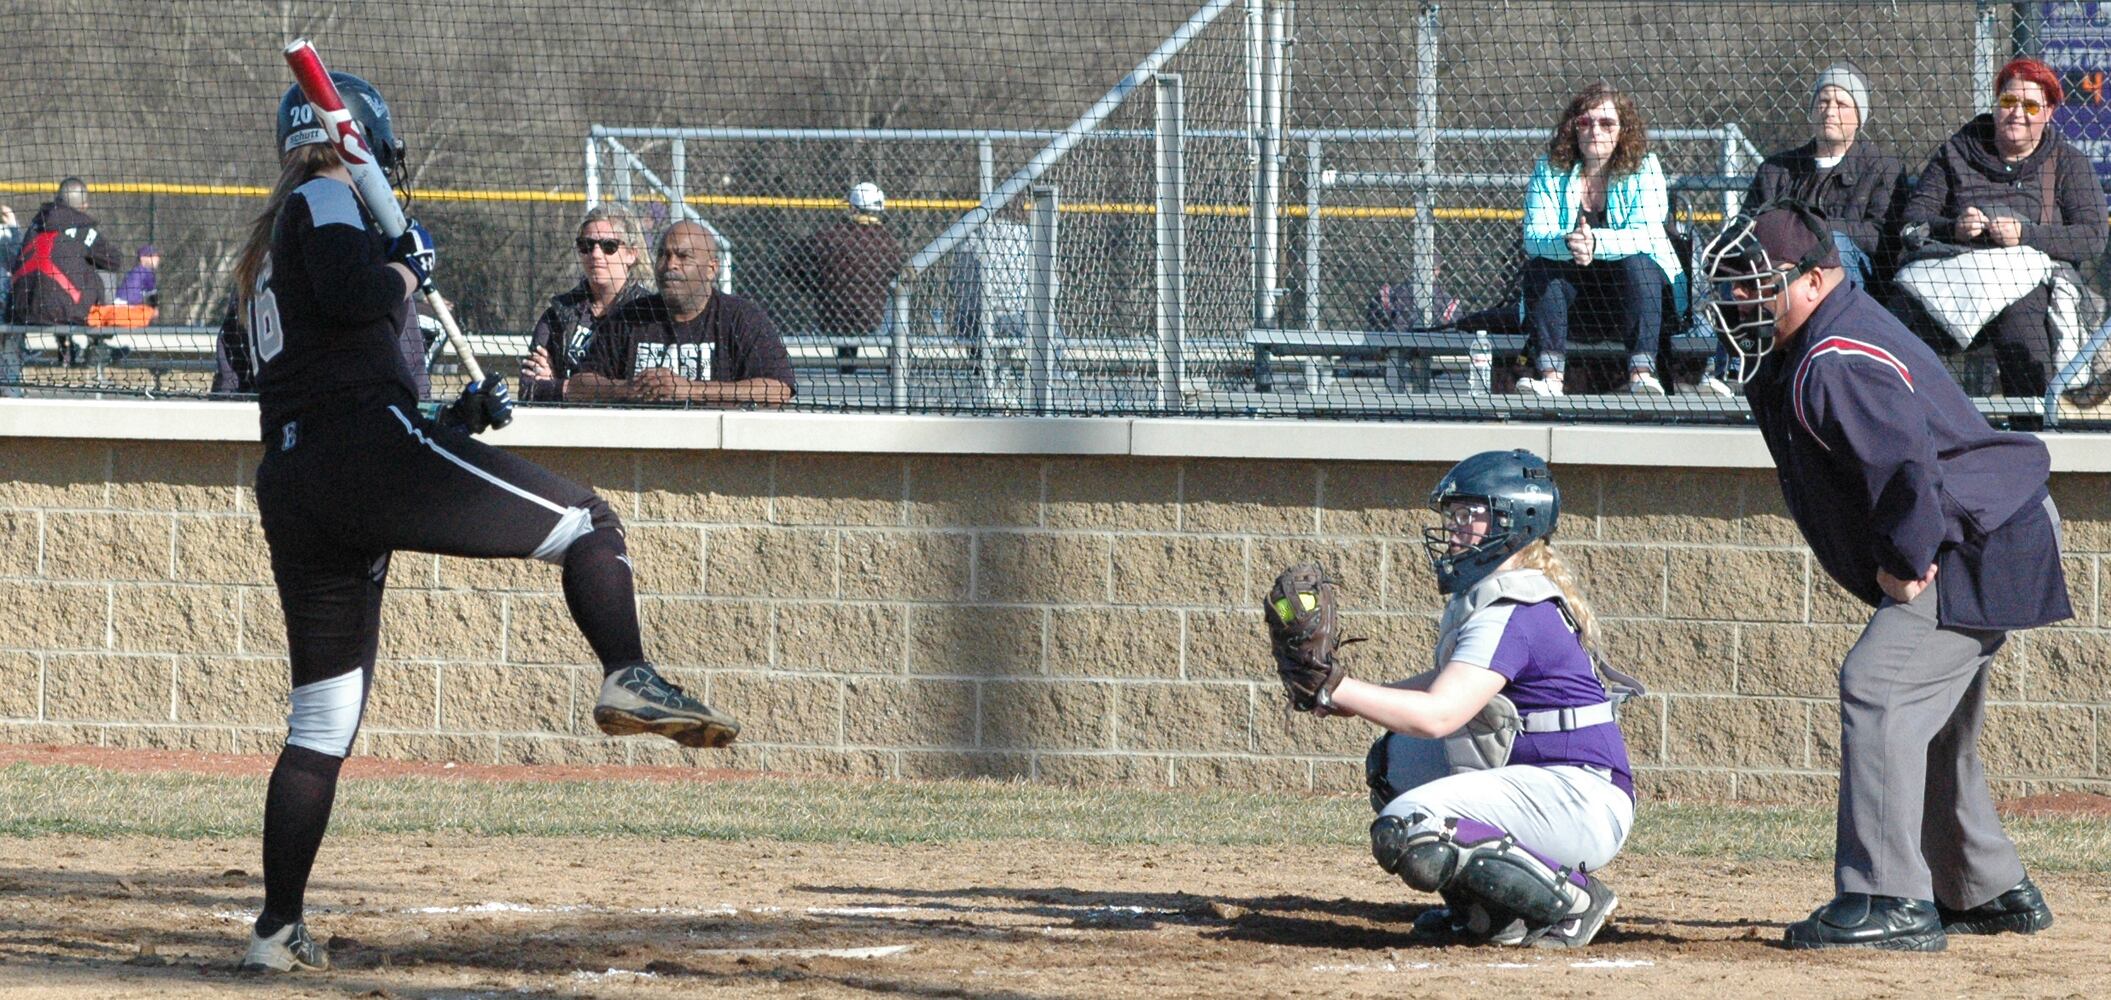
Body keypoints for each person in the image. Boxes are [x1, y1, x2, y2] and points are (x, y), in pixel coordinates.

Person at [230, 72, 741, 975]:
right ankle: (627, 674)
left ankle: (276, 929)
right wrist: (402, 264)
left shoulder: (274, 238)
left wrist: (451, 421)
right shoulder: (323, 194)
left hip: (301, 474)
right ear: (368, 145)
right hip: (359, 452)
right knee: (585, 523)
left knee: (321, 719)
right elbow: (355, 301)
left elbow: (332, 370)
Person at [1701, 203, 2067, 951]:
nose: (1738, 302)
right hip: (1987, 526)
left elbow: (1905, 467)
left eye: (1753, 285)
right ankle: (1986, 889)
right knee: (1930, 727)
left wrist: (1904, 565)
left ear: (1813, 278)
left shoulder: (1834, 356)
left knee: (1878, 687)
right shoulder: (1818, 340)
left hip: (1973, 539)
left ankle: (1886, 897)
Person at [1303, 449, 1636, 949]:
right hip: (1549, 785)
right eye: (1453, 516)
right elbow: (1447, 682)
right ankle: (1493, 911)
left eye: (1468, 516)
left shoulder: (1514, 606)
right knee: (1393, 762)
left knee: (1409, 829)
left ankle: (1574, 901)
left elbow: (1439, 714)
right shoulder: (1498, 593)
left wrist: (1338, 687)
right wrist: (1345, 697)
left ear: (1514, 520)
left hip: (1580, 800)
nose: (1455, 530)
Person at [1898, 57, 2110, 399]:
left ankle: (2032, 425)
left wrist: (2027, 236)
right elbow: (1913, 221)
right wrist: (1954, 228)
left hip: (2025, 285)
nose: (2017, 112)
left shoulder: (2068, 162)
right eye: (2008, 101)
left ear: (2050, 112)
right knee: (1898, 323)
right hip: (1954, 280)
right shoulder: (1956, 152)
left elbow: (2092, 236)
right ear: (1996, 105)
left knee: (2023, 320)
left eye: (2030, 105)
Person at [1518, 82, 1687, 396]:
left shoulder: (1645, 167)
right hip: (1576, 302)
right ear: (1574, 128)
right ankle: (1551, 379)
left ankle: (1641, 375)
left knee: (1640, 265)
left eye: (1606, 123)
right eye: (1585, 122)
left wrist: (1595, 243)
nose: (1595, 130)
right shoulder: (1549, 169)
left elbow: (1647, 235)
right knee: (1541, 268)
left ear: (1623, 129)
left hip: (1632, 299)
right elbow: (1534, 238)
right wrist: (1572, 243)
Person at [568, 220, 796, 405]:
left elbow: (779, 389)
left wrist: (690, 390)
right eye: (663, 255)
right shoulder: (631, 316)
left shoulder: (740, 317)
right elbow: (579, 385)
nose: (670, 265)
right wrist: (628, 388)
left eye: (683, 256)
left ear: (711, 269)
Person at [519, 204, 653, 401]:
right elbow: (528, 389)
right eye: (587, 246)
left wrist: (556, 384)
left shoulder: (649, 313)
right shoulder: (560, 313)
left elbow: (643, 391)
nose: (596, 254)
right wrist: (567, 389)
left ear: (631, 254)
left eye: (609, 246)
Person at [782, 181, 904, 372]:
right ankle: (896, 370)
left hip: (832, 312)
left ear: (852, 207)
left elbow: (789, 262)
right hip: (873, 315)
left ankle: (847, 366)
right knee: (895, 297)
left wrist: (813, 285)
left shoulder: (829, 236)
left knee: (850, 310)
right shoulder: (888, 243)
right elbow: (901, 271)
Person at [8, 178, 125, 366]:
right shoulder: (84, 230)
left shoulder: (35, 226)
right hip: (65, 311)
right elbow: (115, 261)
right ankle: (99, 340)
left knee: (54, 278)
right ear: (84, 205)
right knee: (102, 270)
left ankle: (65, 344)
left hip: (22, 308)